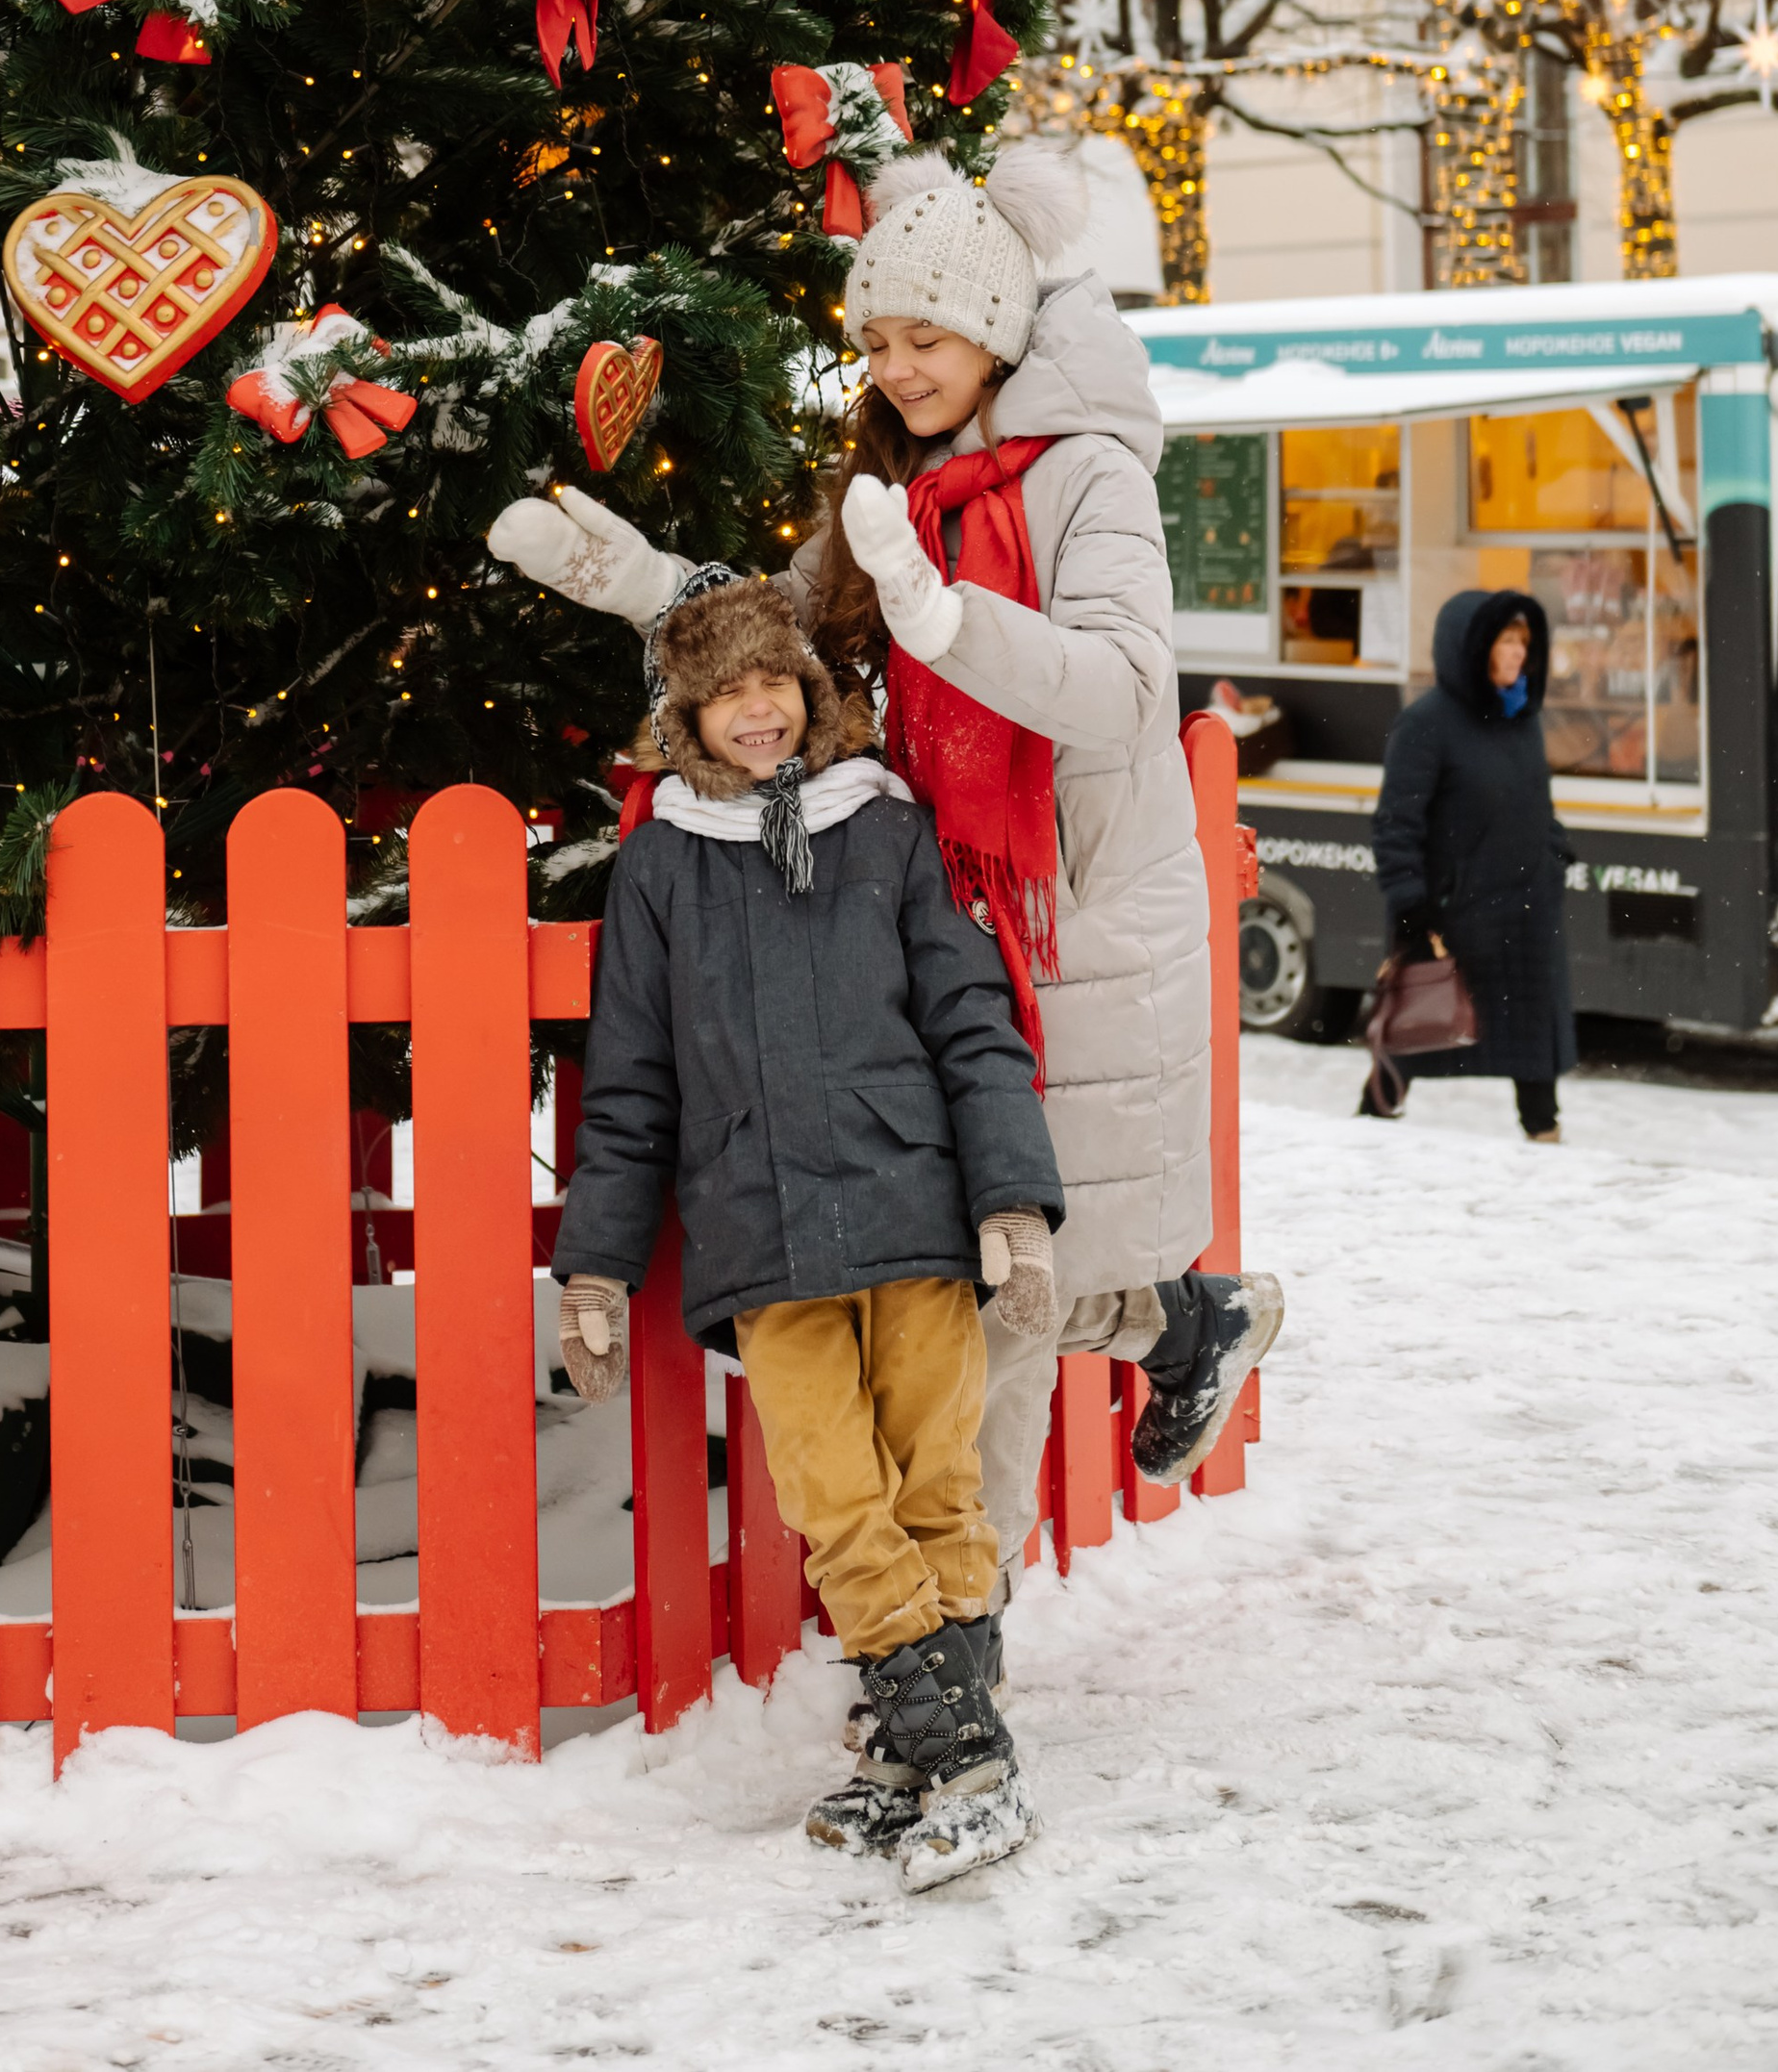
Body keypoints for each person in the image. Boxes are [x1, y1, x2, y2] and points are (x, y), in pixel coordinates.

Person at [494, 141, 1282, 1613]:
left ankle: (957, 1665)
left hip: (1075, 920)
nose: (898, 364)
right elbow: (786, 631)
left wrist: (946, 618)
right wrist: (648, 585)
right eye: (875, 338)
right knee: (976, 1255)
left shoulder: (1091, 479)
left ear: (995, 328)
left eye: (924, 335)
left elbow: (1121, 691)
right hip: (944, 916)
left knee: (1004, 1289)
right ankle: (1183, 1328)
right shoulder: (895, 477)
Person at [548, 565, 1061, 1888]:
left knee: (935, 1482)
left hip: (912, 1211)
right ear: (687, 713)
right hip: (762, 1236)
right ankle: (953, 1743)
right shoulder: (659, 863)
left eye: (774, 680)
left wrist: (1011, 1197)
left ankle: (934, 1754)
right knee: (838, 1493)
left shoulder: (886, 831)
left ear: (813, 689)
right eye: (724, 693)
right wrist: (596, 1270)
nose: (756, 710)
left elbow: (968, 1017)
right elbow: (634, 1083)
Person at [1367, 590, 1575, 1142]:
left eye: (1523, 642)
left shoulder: (1522, 717)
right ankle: (1372, 1124)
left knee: (1534, 1039)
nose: (1517, 654)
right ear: (1472, 647)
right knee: (1422, 1026)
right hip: (1458, 919)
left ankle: (1544, 1136)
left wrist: (1554, 851)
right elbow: (1396, 822)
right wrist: (1410, 906)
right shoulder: (1427, 723)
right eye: (1505, 641)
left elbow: (1538, 801)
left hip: (1527, 914)